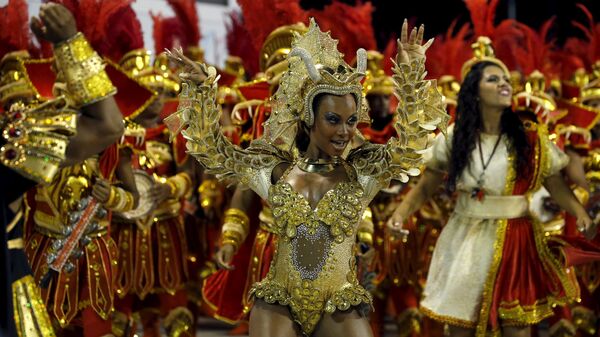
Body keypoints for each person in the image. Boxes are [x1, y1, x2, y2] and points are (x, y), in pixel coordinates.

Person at [166, 18, 447, 337]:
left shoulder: (364, 170)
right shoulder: (272, 169)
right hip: (279, 302)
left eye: (351, 120)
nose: (344, 131)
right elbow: (213, 150)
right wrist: (202, 90)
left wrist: (411, 74)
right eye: (333, 119)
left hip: (339, 303)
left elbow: (410, 145)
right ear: (309, 117)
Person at [388, 37, 596, 337]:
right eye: (493, 78)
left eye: (506, 79)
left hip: (517, 239)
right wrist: (401, 213)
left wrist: (580, 212)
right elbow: (425, 186)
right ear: (475, 92)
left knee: (516, 328)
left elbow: (556, 184)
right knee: (460, 327)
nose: (504, 84)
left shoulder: (530, 139)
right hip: (465, 238)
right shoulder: (455, 137)